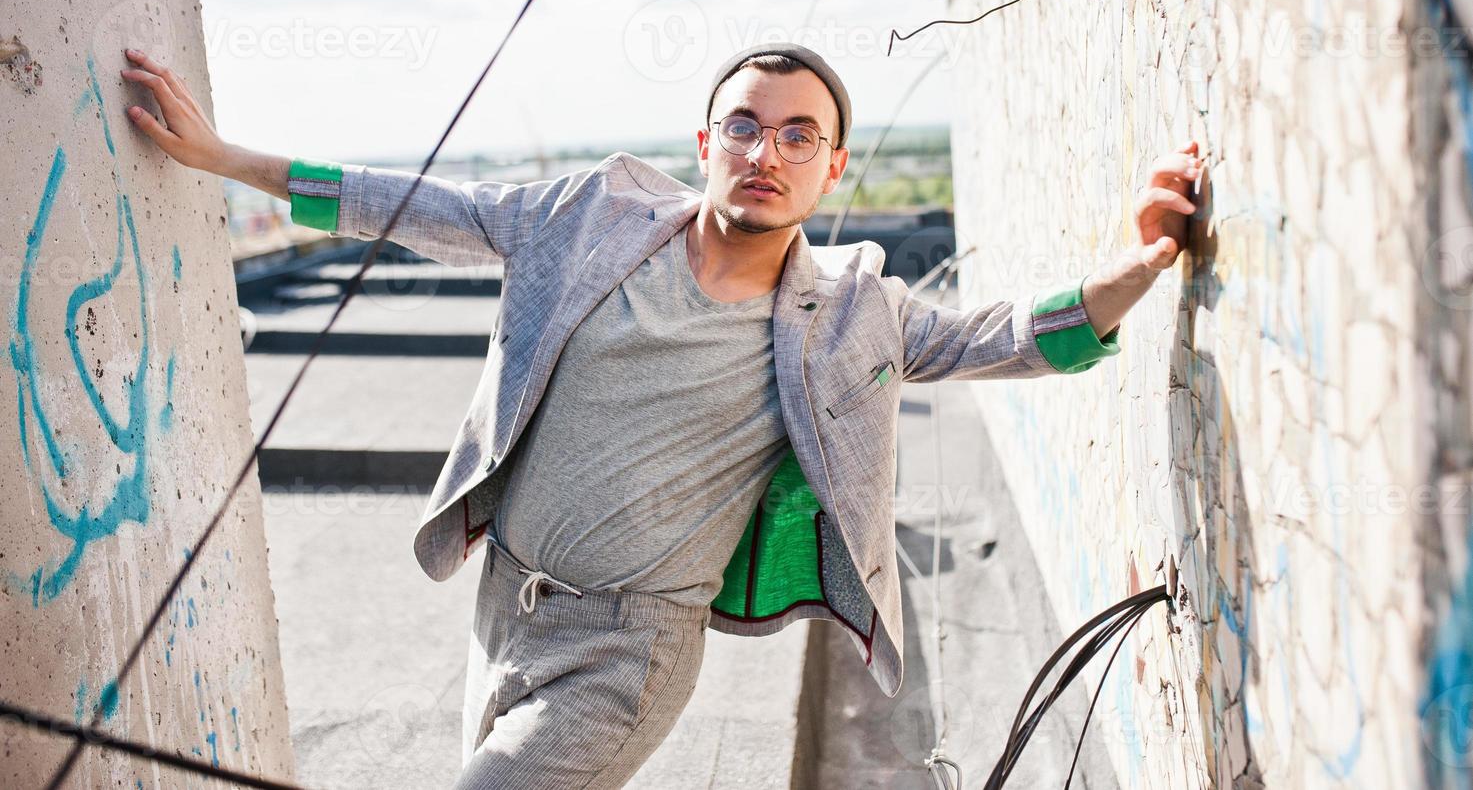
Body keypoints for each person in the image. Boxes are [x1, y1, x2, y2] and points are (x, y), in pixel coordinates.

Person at [120, 42, 1204, 788]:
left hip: (626, 652)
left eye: (797, 136)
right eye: (746, 125)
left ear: (832, 168)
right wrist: (224, 160)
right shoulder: (588, 217)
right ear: (705, 140)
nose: (765, 151)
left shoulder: (854, 314)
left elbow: (1013, 334)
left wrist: (1141, 261)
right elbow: (412, 208)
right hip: (504, 607)